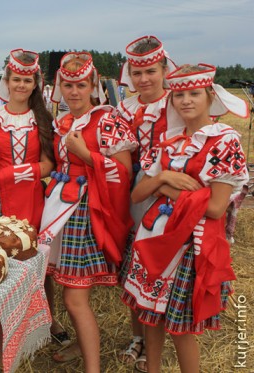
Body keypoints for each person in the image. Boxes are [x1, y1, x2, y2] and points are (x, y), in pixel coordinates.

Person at [121, 64, 248, 373]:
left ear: (209, 96)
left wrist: (166, 189)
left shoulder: (224, 142)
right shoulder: (167, 141)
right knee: (150, 316)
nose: (186, 101)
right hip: (153, 240)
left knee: (181, 329)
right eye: (179, 95)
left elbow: (216, 208)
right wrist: (164, 177)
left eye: (194, 94)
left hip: (190, 245)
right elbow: (137, 195)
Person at [38, 52, 137, 371]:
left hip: (87, 213)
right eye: (68, 85)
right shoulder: (63, 121)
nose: (74, 92)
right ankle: (82, 344)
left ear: (93, 85)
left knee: (74, 298)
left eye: (81, 84)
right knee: (72, 291)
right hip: (61, 211)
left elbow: (123, 174)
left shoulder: (107, 121)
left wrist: (87, 155)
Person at [116, 35, 177, 372]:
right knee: (133, 264)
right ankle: (136, 335)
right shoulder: (124, 108)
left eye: (151, 71)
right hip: (133, 194)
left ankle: (155, 341)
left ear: (164, 69)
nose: (144, 79)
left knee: (158, 268)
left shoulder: (178, 102)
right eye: (137, 73)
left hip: (167, 195)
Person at [0, 48, 54, 229]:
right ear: (7, 82)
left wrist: (5, 175)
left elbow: (47, 166)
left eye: (27, 80)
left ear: (34, 85)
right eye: (16, 79)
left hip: (31, 201)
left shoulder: (43, 120)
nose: (21, 85)